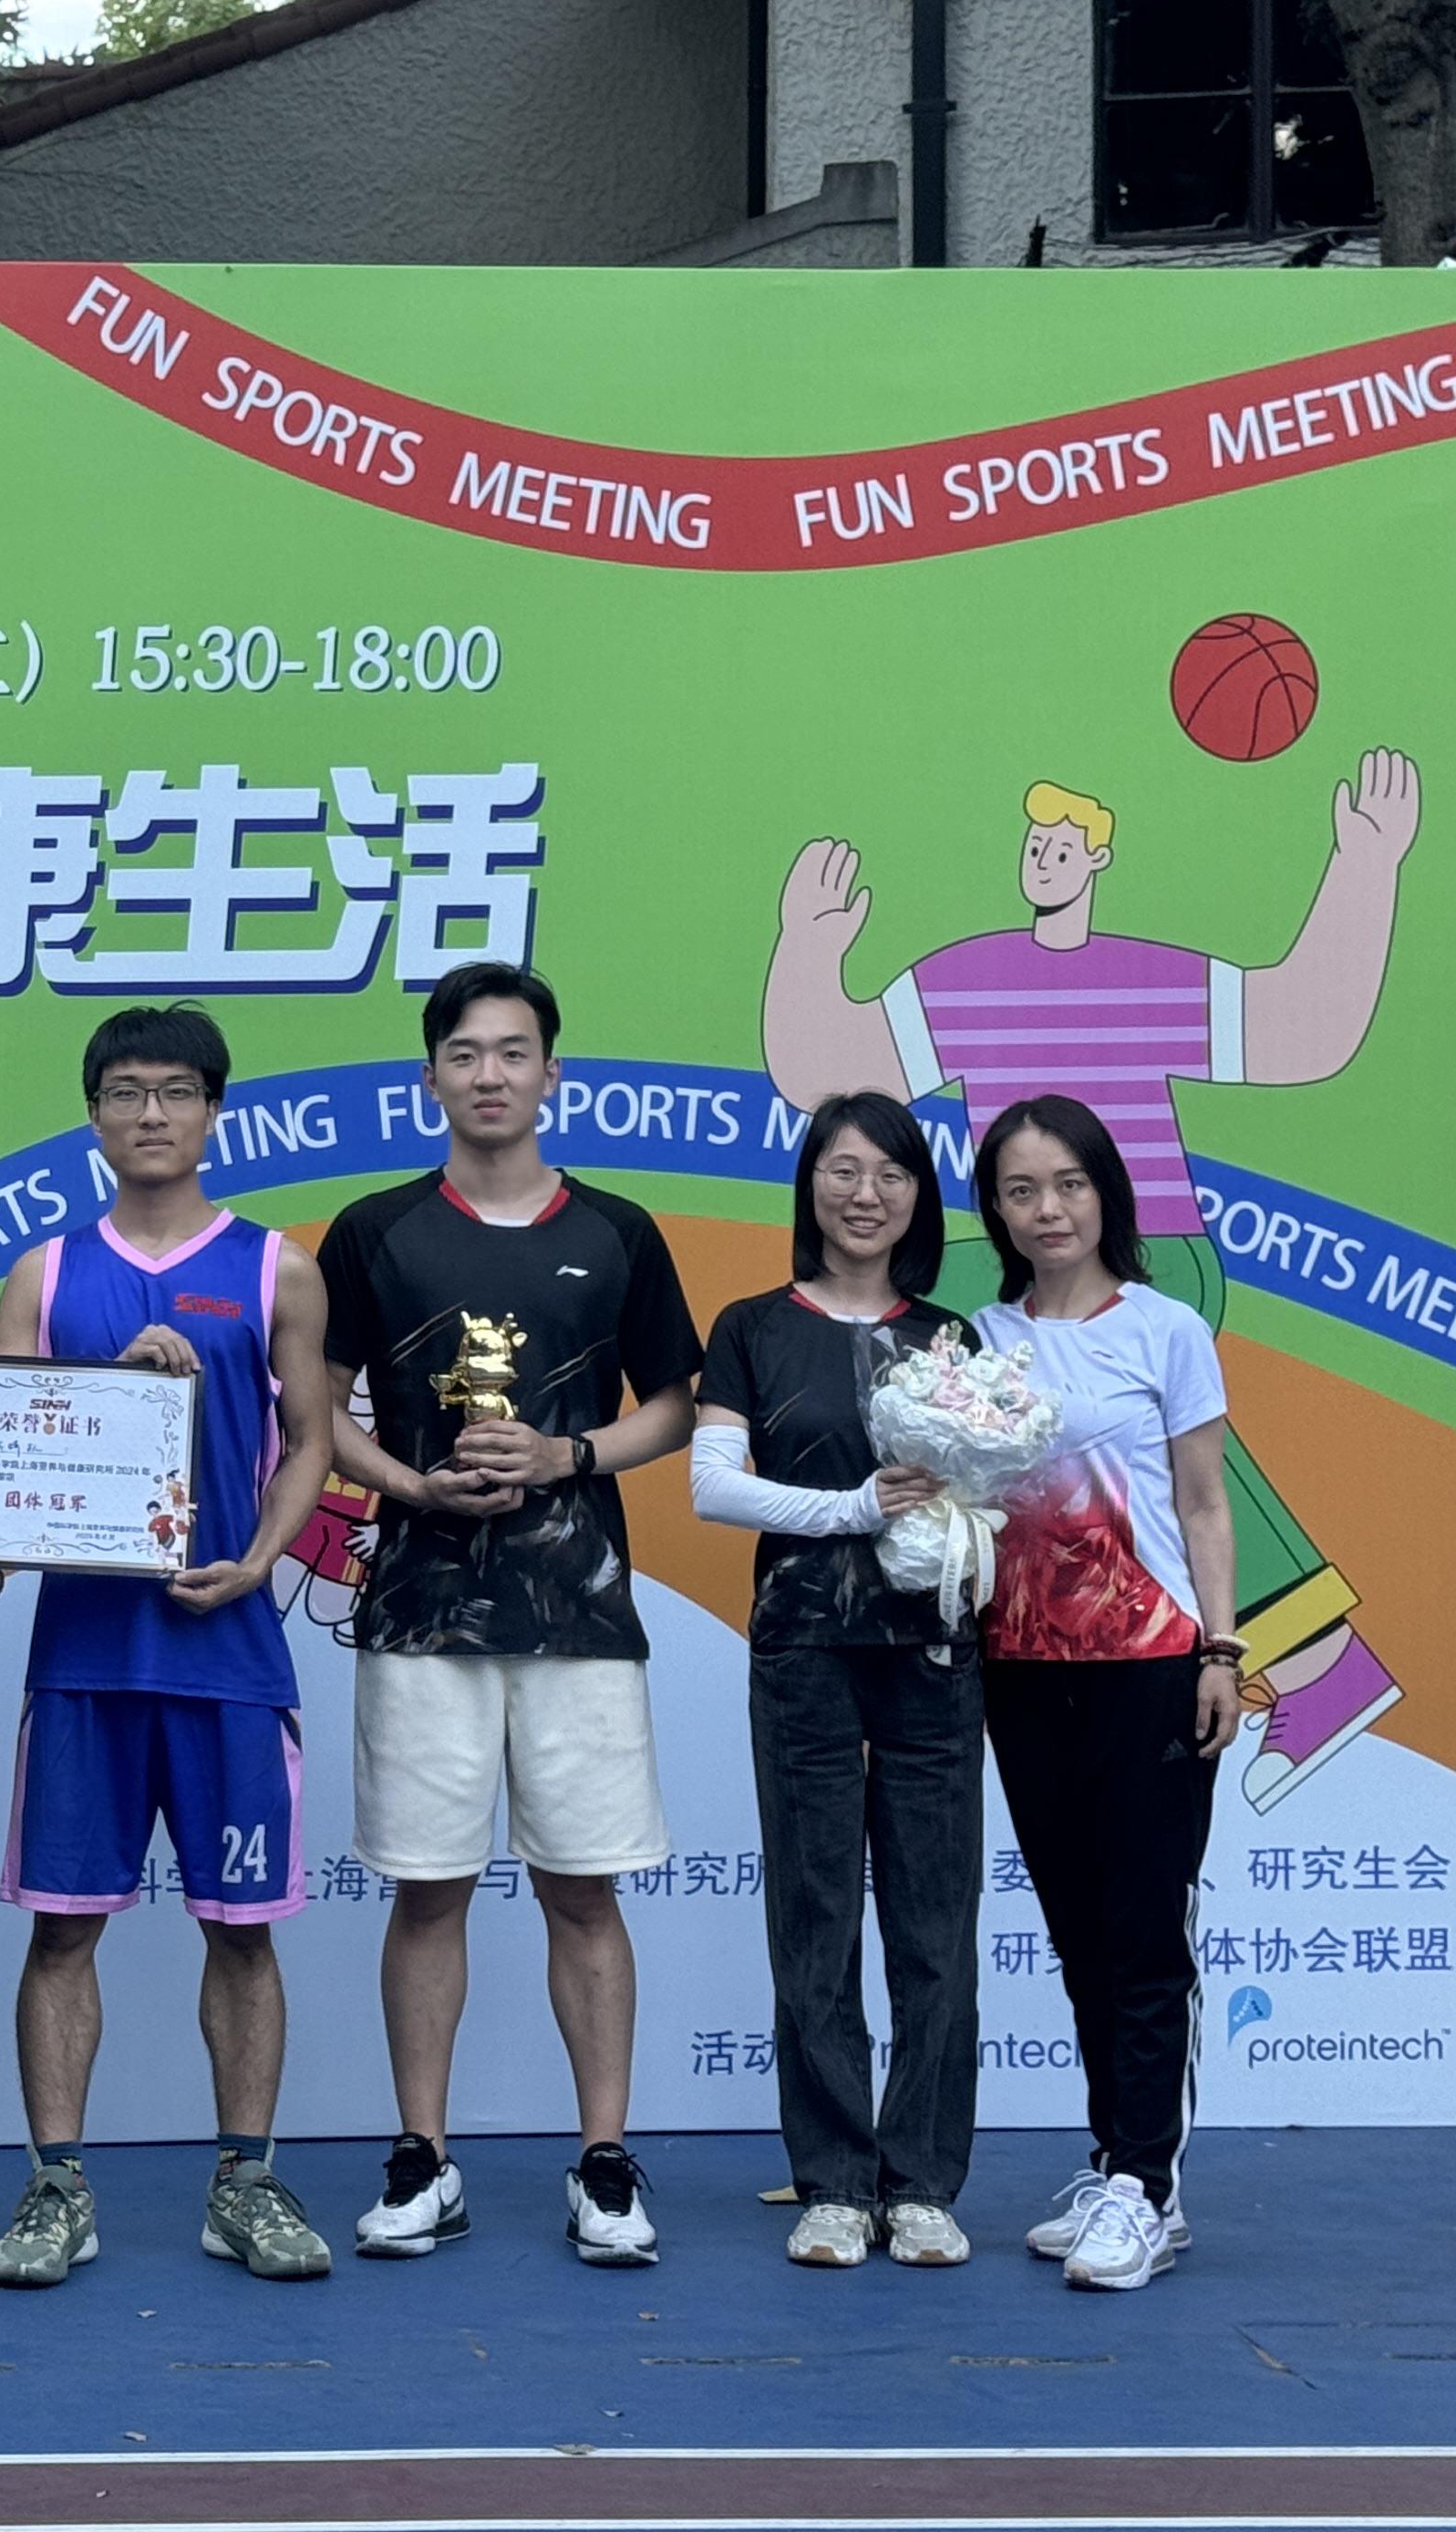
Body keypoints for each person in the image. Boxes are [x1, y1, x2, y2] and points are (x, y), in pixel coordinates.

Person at [761, 765, 1419, 1807]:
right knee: (951, 1357)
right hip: (1015, 1290)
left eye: (1064, 847)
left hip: (1156, 1251)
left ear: (1098, 860)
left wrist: (1366, 867)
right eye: (1035, 845)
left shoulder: (1144, 975)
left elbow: (1302, 1024)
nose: (1045, 860)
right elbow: (824, 1067)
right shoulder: (966, 977)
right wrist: (806, 948)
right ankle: (1309, 1657)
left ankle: (1305, 1655)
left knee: (968, 1356)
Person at [315, 962, 701, 2269]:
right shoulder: (374, 1231)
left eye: (514, 1051)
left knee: (582, 1893)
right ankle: (422, 2159)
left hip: (577, 1612)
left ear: (551, 1073)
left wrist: (566, 1456)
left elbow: (675, 1404)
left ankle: (605, 2162)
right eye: (466, 1053)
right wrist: (409, 1482)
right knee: (427, 1893)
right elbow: (315, 1409)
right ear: (429, 1076)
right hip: (421, 1612)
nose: (490, 1074)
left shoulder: (618, 1230)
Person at [0, 1004, 336, 2288]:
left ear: (212, 1112)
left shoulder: (277, 1268)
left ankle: (246, 2181)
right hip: (85, 1657)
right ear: (93, 1114)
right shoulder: (46, 1273)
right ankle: (55, 2188)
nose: (150, 1114)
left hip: (227, 1654)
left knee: (242, 1933)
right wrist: (116, 1391)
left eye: (176, 1091)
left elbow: (312, 1440)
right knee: (63, 1933)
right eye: (125, 1091)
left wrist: (259, 1560)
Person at [691, 1090, 979, 2271]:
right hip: (802, 1651)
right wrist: (853, 1508)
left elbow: (991, 1490)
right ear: (810, 1185)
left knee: (934, 1922)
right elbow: (715, 1486)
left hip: (934, 1656)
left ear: (919, 1196)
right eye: (843, 1170)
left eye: (891, 1174)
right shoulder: (754, 1326)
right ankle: (834, 2182)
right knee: (815, 1917)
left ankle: (922, 2184)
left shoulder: (954, 1339)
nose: (867, 1194)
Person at [968, 1091, 1245, 2294]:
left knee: (1142, 1931)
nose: (1049, 1210)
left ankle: (1149, 2187)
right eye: (1022, 1190)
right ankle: (1113, 2163)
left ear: (1106, 1195)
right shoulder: (977, 1342)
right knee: (1078, 1934)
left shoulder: (1166, 1331)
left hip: (1150, 1666)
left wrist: (1220, 1653)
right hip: (1022, 1673)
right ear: (996, 1210)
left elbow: (1204, 1503)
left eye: (1070, 1184)